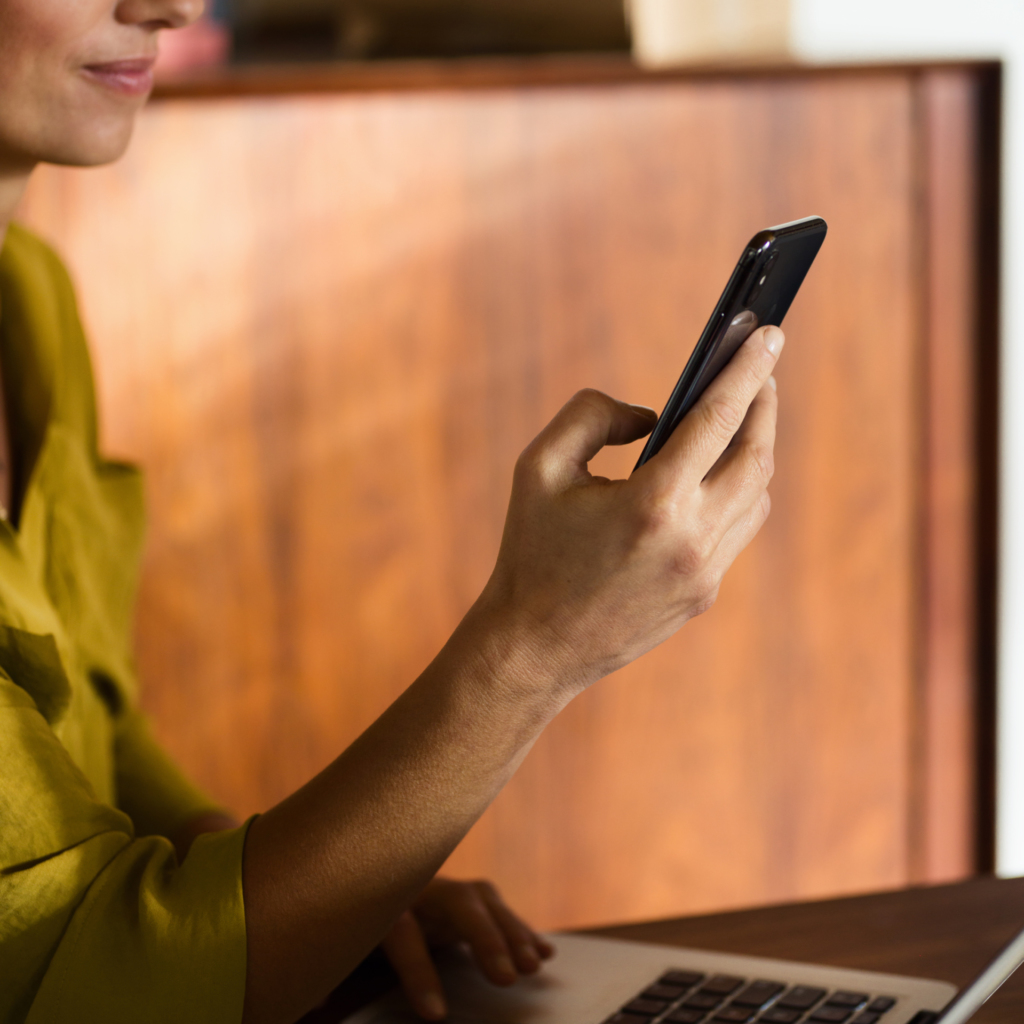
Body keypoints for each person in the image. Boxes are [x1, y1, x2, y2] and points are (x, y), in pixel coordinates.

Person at [0, 2, 784, 1023]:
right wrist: (534, 648)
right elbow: (95, 986)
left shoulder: (33, 301)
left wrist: (310, 886)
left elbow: (83, 720)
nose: (172, 7)